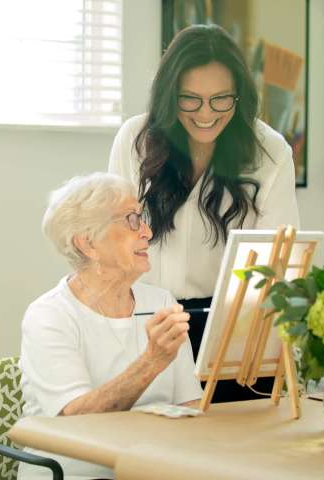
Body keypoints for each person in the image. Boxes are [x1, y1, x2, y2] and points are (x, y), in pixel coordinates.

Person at [108, 24, 300, 402]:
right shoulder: (136, 140)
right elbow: (114, 243)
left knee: (230, 450)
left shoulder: (269, 152)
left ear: (239, 96)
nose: (206, 114)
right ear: (169, 96)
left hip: (230, 332)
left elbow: (278, 262)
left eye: (220, 99)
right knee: (149, 451)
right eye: (190, 100)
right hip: (147, 326)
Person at [18, 173, 202, 480]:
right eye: (132, 219)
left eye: (142, 218)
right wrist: (152, 361)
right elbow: (78, 420)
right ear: (88, 243)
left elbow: (189, 405)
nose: (148, 231)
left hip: (152, 471)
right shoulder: (49, 316)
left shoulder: (161, 302)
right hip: (74, 474)